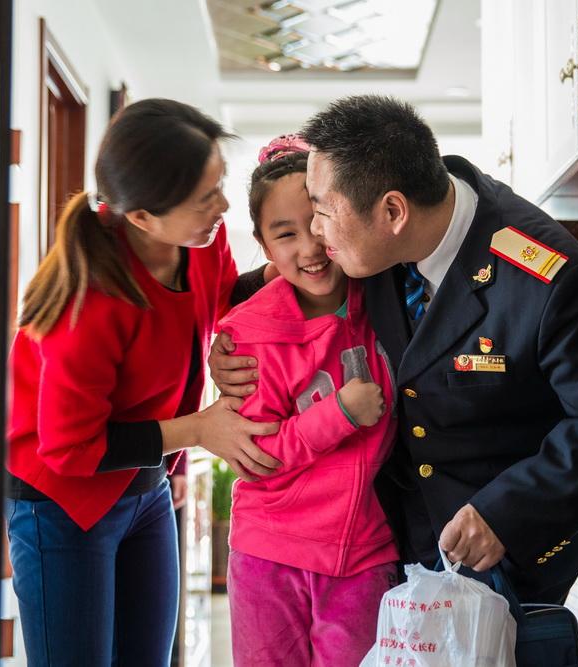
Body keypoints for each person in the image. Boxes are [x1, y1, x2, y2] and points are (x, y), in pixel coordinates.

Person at [211, 95, 578, 606]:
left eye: (321, 211)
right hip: (389, 554)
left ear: (392, 212)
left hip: (500, 566)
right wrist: (231, 336)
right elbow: (287, 272)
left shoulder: (547, 281)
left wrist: (506, 512)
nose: (316, 233)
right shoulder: (376, 233)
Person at [5, 98, 281, 667]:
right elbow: (69, 448)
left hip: (143, 487)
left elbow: (220, 301)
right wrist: (198, 431)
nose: (223, 206)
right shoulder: (88, 306)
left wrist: (281, 273)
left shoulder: (199, 241)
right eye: (205, 198)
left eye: (218, 185)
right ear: (142, 218)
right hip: (61, 501)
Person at [217, 135, 398, 666]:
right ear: (264, 245)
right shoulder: (248, 334)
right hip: (269, 553)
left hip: (364, 552)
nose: (310, 247)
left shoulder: (390, 299)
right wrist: (338, 414)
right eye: (286, 234)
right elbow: (259, 455)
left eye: (319, 222)